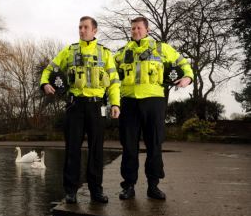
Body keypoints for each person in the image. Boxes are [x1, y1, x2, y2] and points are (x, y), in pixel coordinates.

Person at [40, 16, 120, 204]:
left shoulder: (105, 53)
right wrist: (44, 83)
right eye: (79, 27)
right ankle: (70, 191)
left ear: (94, 31)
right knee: (72, 150)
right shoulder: (69, 51)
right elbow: (49, 69)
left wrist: (115, 104)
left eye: (85, 27)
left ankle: (96, 191)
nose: (81, 30)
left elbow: (115, 82)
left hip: (96, 106)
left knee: (96, 151)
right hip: (74, 106)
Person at [114, 16, 194, 200]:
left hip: (154, 101)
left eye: (138, 28)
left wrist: (187, 78)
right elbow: (108, 72)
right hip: (129, 102)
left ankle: (153, 186)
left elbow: (184, 64)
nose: (135, 31)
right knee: (128, 146)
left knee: (155, 144)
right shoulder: (123, 51)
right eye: (132, 28)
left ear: (147, 30)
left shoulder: (161, 48)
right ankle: (129, 186)